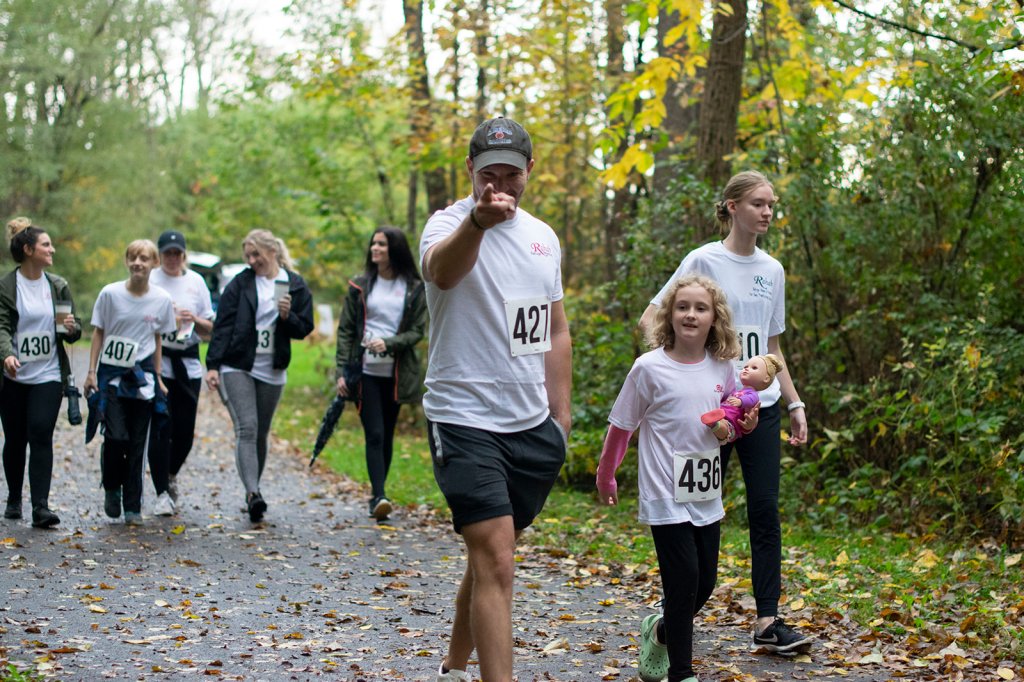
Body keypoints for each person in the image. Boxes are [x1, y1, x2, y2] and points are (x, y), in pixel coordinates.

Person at [419, 117, 572, 682]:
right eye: (488, 174)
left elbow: (556, 329)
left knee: (491, 556)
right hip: (462, 417)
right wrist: (478, 224)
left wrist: (561, 415)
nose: (499, 184)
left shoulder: (543, 237)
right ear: (470, 170)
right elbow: (442, 271)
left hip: (531, 425)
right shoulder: (447, 225)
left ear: (530, 169)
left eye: (511, 173)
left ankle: (455, 662)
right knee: (498, 559)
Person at [638, 170, 812, 654]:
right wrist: (673, 372)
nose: (767, 211)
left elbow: (773, 348)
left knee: (765, 509)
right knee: (694, 511)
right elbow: (652, 317)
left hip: (762, 408)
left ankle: (767, 620)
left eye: (771, 204)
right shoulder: (703, 260)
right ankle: (676, 612)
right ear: (732, 207)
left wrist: (794, 402)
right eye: (758, 203)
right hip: (712, 409)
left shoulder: (772, 270)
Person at [598, 275, 744, 682]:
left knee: (705, 583)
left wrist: (742, 424)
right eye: (682, 307)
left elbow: (733, 420)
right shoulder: (648, 368)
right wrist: (606, 475)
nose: (690, 315)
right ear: (669, 315)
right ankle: (682, 673)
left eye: (700, 308)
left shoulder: (724, 367)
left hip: (706, 491)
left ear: (715, 318)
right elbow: (621, 427)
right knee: (683, 580)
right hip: (664, 490)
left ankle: (661, 629)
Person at [204, 229, 313, 523]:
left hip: (272, 368)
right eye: (248, 256)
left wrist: (288, 316)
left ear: (272, 252)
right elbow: (223, 325)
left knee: (261, 432)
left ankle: (254, 489)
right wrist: (213, 365)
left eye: (256, 254)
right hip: (237, 364)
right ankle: (253, 493)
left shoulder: (294, 285)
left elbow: (304, 328)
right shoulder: (240, 284)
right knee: (247, 428)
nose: (251, 261)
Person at [335, 227, 426, 522]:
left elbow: (417, 331)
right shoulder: (360, 284)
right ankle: (379, 495)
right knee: (374, 433)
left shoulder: (413, 287)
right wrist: (342, 371)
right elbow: (346, 330)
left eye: (382, 244)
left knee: (386, 434)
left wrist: (389, 342)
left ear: (394, 249)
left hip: (397, 374)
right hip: (364, 371)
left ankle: (379, 494)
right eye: (373, 243)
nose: (375, 248)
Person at [83, 240, 176, 526]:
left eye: (144, 258)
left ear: (154, 264)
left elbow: (157, 338)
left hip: (143, 380)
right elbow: (98, 332)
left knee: (137, 444)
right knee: (115, 437)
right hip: (112, 377)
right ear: (126, 261)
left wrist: (158, 377)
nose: (138, 263)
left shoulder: (161, 299)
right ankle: (112, 485)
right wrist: (91, 371)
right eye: (133, 257)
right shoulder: (110, 294)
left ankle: (132, 507)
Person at [0, 218, 82, 528]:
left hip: (48, 374)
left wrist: (72, 329)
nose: (52, 249)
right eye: (46, 245)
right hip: (13, 376)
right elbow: (1, 326)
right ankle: (13, 498)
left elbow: (70, 329)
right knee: (15, 438)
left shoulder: (57, 285)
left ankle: (40, 507)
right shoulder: (7, 286)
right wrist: (6, 355)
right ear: (28, 250)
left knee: (40, 432)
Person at [147, 230, 215, 514]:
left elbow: (210, 330)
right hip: (158, 365)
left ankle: (171, 473)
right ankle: (162, 491)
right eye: (167, 253)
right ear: (160, 255)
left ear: (184, 255)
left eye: (177, 253)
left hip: (188, 366)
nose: (172, 258)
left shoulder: (196, 282)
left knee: (184, 434)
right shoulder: (151, 279)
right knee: (161, 428)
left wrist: (193, 319)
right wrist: (166, 318)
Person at [701, 353, 782, 443]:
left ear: (766, 378)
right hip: (723, 415)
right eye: (745, 366)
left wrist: (741, 401)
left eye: (754, 368)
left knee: (725, 430)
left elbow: (751, 400)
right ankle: (713, 420)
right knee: (721, 425)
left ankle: (713, 423)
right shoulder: (737, 392)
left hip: (733, 423)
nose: (746, 368)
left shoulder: (753, 394)